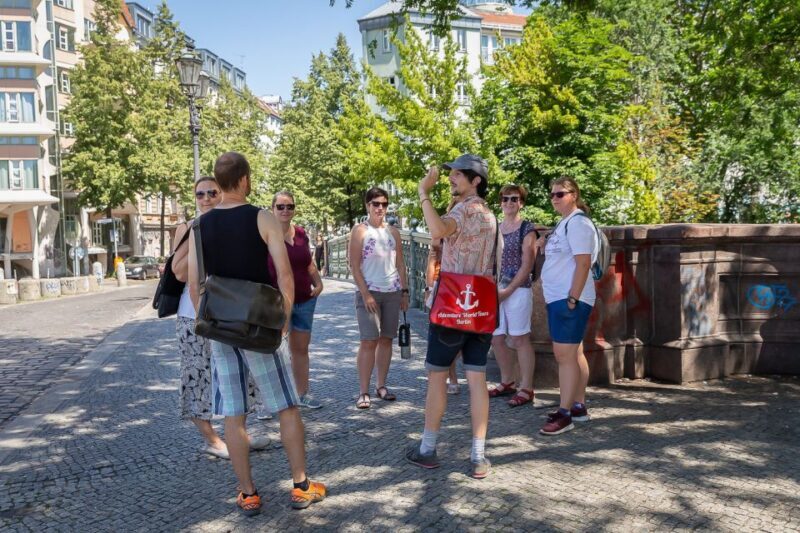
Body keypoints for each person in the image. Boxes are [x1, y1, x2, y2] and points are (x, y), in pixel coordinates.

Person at [188, 153, 325, 515]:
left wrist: (207, 322)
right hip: (258, 323)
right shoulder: (262, 218)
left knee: (234, 413)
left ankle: (247, 492)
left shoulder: (199, 226)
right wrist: (284, 316)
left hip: (220, 326)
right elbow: (283, 274)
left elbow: (194, 282)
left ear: (218, 184)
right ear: (245, 180)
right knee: (286, 405)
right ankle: (300, 485)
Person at [406, 154, 498, 480]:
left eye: (460, 175)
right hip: (481, 306)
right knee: (477, 380)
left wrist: (423, 192)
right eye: (452, 173)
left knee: (437, 376)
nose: (452, 178)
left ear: (476, 181)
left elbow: (436, 229)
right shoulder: (490, 215)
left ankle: (428, 448)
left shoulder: (464, 209)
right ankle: (478, 456)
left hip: (452, 305)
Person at [172, 177, 267, 459]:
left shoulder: (233, 222)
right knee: (197, 376)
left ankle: (239, 436)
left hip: (231, 312)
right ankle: (213, 440)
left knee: (240, 376)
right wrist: (201, 235)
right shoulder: (188, 227)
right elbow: (178, 272)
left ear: (222, 193)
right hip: (194, 315)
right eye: (200, 194)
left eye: (212, 192)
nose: (206, 198)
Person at [538, 177, 597, 436]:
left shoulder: (579, 223)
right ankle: (578, 407)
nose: (554, 198)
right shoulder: (566, 223)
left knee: (564, 357)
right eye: (552, 194)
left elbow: (583, 263)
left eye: (560, 194)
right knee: (575, 354)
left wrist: (572, 297)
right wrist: (544, 238)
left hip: (569, 299)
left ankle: (564, 415)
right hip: (560, 298)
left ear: (574, 195)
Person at [348, 187, 409, 409]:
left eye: (384, 204)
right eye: (375, 204)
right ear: (367, 206)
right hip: (369, 291)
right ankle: (363, 391)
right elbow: (354, 265)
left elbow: (400, 264)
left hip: (392, 291)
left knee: (386, 339)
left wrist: (404, 291)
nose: (380, 208)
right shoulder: (360, 231)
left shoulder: (393, 232)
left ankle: (381, 385)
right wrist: (365, 294)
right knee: (368, 340)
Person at [268, 191, 324, 409]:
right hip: (275, 301)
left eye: (289, 206)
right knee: (271, 351)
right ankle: (270, 402)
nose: (285, 211)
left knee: (300, 349)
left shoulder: (300, 234)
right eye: (280, 207)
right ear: (272, 209)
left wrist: (318, 283)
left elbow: (308, 263)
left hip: (304, 299)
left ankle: (302, 394)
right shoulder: (265, 235)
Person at [488, 184, 538, 407]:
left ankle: (526, 387)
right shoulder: (495, 229)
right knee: (497, 338)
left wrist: (508, 290)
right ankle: (507, 381)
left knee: (519, 338)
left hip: (518, 289)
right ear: (500, 202)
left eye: (514, 199)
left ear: (521, 203)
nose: (509, 202)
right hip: (496, 289)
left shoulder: (527, 229)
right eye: (506, 199)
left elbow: (527, 265)